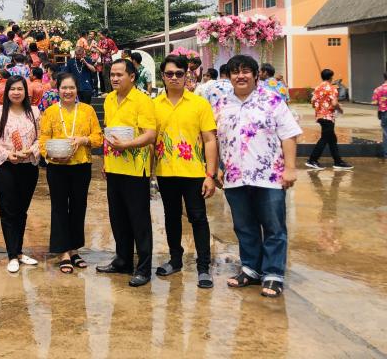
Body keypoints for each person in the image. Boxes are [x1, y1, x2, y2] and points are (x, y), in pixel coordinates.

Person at [215, 54, 302, 298]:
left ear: (256, 75)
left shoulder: (272, 101)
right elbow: (217, 139)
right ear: (229, 76)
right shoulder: (222, 103)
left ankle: (273, 273)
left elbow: (289, 134)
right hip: (235, 177)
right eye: (235, 72)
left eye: (245, 71)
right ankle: (251, 268)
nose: (240, 75)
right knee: (244, 226)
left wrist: (290, 168)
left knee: (273, 226)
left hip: (269, 176)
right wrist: (219, 168)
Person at [151, 55, 218, 288]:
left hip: (194, 173)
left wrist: (211, 175)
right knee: (171, 217)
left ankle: (203, 267)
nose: (174, 78)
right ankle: (175, 259)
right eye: (169, 74)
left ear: (186, 75)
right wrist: (149, 174)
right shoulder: (154, 105)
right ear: (163, 76)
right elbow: (151, 141)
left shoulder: (199, 104)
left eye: (179, 74)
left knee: (198, 217)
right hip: (166, 172)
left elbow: (210, 139)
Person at [97, 58, 157, 287]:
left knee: (139, 220)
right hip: (114, 166)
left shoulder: (142, 100)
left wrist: (128, 145)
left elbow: (150, 134)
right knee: (118, 217)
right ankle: (122, 260)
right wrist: (105, 159)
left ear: (132, 77)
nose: (114, 78)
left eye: (119, 74)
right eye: (112, 74)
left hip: (135, 169)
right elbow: (110, 133)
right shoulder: (109, 100)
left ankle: (143, 268)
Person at [39, 73, 102, 274]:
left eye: (71, 88)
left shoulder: (87, 110)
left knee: (78, 206)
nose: (68, 92)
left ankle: (74, 249)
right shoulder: (50, 112)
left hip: (81, 165)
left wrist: (83, 140)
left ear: (77, 90)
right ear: (58, 89)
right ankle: (62, 251)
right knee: (59, 207)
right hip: (57, 167)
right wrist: (50, 154)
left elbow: (98, 138)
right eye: (64, 88)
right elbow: (43, 140)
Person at [0, 76, 41, 273]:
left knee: (22, 210)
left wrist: (31, 151)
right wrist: (7, 154)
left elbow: (42, 138)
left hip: (28, 166)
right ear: (6, 92)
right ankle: (11, 254)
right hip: (5, 168)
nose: (16, 92)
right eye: (13, 89)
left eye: (20, 89)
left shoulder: (34, 112)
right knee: (8, 210)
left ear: (26, 92)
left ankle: (19, 251)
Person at [307, 69, 353, 170]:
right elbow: (334, 104)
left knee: (332, 139)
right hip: (328, 117)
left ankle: (338, 161)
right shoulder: (331, 88)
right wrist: (340, 109)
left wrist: (321, 108)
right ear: (331, 77)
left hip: (320, 116)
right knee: (324, 139)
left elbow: (313, 102)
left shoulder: (318, 88)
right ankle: (312, 160)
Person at [97, 29, 118, 94]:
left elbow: (103, 51)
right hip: (105, 61)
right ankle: (110, 91)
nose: (99, 37)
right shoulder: (102, 41)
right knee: (106, 76)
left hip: (106, 61)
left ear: (104, 35)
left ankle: (108, 92)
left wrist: (96, 47)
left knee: (106, 76)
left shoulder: (106, 41)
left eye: (100, 35)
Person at [372, 73, 387, 159]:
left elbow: (374, 102)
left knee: (385, 133)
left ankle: (386, 154)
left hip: (384, 113)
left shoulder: (378, 89)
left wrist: (381, 101)